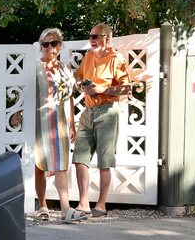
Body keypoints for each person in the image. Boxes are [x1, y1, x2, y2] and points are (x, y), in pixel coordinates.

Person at [73, 24, 132, 218]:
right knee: (80, 158)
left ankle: (101, 204)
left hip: (108, 111)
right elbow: (77, 78)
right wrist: (76, 83)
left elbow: (127, 89)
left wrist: (101, 89)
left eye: (95, 36)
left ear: (107, 38)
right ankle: (83, 203)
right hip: (88, 111)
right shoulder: (89, 57)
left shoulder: (116, 59)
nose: (91, 40)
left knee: (105, 160)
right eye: (90, 36)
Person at [30, 28, 79, 222]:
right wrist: (17, 113)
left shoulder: (66, 69)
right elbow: (24, 93)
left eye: (54, 43)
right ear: (41, 46)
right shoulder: (34, 67)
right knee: (39, 164)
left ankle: (65, 209)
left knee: (61, 165)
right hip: (38, 121)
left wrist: (72, 123)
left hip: (60, 123)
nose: (50, 47)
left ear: (60, 46)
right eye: (46, 44)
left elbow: (70, 97)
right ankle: (42, 206)